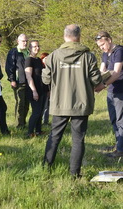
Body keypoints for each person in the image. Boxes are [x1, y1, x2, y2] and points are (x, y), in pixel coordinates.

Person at [42, 24, 104, 177]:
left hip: (60, 104)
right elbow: (96, 79)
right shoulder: (88, 56)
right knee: (78, 139)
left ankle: (45, 168)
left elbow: (45, 79)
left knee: (54, 136)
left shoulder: (53, 56)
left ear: (65, 36)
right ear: (79, 37)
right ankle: (74, 174)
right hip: (81, 104)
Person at [95, 31, 123, 157]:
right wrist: (95, 83)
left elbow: (116, 72)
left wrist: (103, 86)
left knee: (121, 119)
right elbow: (102, 71)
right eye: (99, 46)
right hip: (111, 90)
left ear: (109, 40)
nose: (102, 48)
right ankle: (118, 143)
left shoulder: (119, 51)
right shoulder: (105, 54)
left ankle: (121, 150)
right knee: (113, 119)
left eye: (103, 44)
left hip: (122, 90)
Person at [5, 34, 30, 128]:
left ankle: (23, 122)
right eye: (23, 41)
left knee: (27, 103)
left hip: (29, 81)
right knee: (20, 103)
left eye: (26, 41)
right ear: (18, 41)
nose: (25, 43)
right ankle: (19, 124)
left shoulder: (28, 52)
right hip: (19, 81)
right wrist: (12, 80)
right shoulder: (13, 52)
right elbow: (9, 67)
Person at [25, 40, 48, 138]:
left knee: (41, 111)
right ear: (29, 48)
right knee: (36, 111)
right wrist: (34, 91)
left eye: (38, 46)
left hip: (42, 89)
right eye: (34, 46)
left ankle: (38, 130)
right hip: (33, 90)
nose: (37, 48)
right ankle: (30, 132)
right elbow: (29, 76)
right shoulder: (28, 60)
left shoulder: (38, 60)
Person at [40, 52, 50, 125]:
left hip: (50, 89)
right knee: (44, 106)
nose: (46, 60)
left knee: (48, 106)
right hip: (43, 89)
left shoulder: (50, 67)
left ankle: (45, 121)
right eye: (45, 58)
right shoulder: (41, 67)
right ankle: (42, 122)